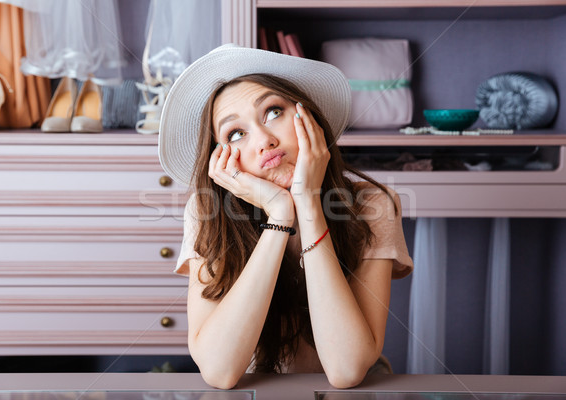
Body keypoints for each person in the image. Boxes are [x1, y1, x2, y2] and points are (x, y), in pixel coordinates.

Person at [158, 44, 413, 390]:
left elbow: (347, 369)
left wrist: (306, 203)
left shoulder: (373, 205)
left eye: (273, 112)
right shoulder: (207, 213)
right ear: (222, 163)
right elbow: (219, 372)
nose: (264, 140)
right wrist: (279, 214)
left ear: (308, 118)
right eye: (236, 134)